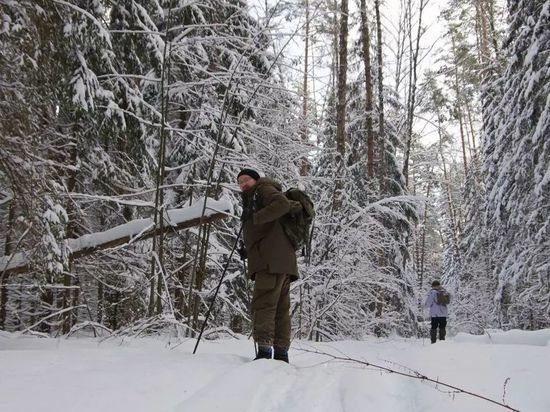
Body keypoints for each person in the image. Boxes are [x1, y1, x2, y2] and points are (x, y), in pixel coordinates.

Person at [237, 168, 299, 363]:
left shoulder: (262, 190)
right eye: (239, 182)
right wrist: (249, 251)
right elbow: (269, 231)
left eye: (246, 179)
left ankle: (264, 353)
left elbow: (281, 204)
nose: (243, 184)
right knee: (281, 309)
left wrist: (255, 218)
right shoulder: (259, 196)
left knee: (264, 305)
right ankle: (281, 354)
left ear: (256, 180)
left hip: (270, 263)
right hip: (282, 262)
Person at [424, 279, 449, 344]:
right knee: (442, 327)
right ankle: (442, 341)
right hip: (443, 314)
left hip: (435, 314)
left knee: (434, 327)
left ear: (433, 286)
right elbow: (448, 301)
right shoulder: (444, 291)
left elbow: (428, 303)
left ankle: (433, 342)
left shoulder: (433, 292)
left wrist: (424, 306)